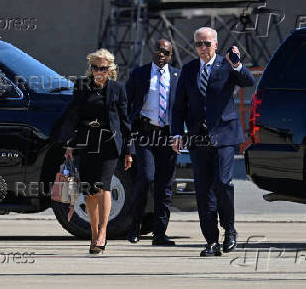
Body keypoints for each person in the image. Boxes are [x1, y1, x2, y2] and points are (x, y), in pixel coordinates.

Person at [171, 27, 255, 256]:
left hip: (224, 136)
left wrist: (237, 63)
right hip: (198, 138)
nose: (202, 48)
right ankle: (211, 242)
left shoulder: (227, 64)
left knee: (223, 184)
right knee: (203, 190)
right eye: (198, 44)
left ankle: (229, 229)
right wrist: (177, 133)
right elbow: (179, 107)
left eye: (207, 43)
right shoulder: (188, 70)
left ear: (216, 44)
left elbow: (248, 81)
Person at [53, 48, 135, 254]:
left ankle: (103, 233)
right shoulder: (82, 86)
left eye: (103, 68)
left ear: (110, 69)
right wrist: (69, 143)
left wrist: (128, 150)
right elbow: (73, 115)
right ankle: (93, 232)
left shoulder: (118, 89)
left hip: (109, 143)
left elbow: (125, 122)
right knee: (89, 190)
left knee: (104, 187)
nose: (98, 71)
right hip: (86, 143)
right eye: (95, 67)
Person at [125, 39, 180, 246]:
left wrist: (180, 134)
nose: (161, 55)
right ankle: (134, 227)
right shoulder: (139, 74)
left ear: (170, 56)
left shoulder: (177, 76)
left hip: (167, 136)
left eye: (165, 52)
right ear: (153, 51)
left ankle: (160, 234)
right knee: (146, 178)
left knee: (164, 186)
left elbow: (182, 106)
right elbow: (126, 102)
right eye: (158, 50)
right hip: (145, 133)